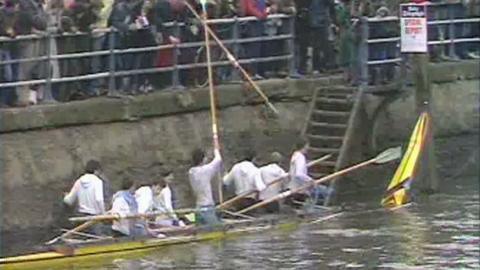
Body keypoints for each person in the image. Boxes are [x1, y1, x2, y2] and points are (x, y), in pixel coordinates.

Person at [63, 160, 106, 234]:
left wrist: (65, 196)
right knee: (97, 241)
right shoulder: (97, 182)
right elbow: (99, 200)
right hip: (94, 218)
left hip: (81, 217)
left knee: (83, 239)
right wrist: (103, 214)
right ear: (96, 171)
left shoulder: (79, 181)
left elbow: (68, 200)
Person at [287, 138, 332, 206]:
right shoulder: (300, 157)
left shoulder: (295, 155)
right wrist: (311, 180)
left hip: (294, 186)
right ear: (305, 146)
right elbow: (299, 174)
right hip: (299, 188)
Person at [188, 147, 223, 225]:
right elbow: (218, 160)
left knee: (202, 229)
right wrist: (216, 150)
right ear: (203, 159)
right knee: (216, 228)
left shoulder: (191, 172)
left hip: (198, 207)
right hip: (207, 207)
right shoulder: (204, 171)